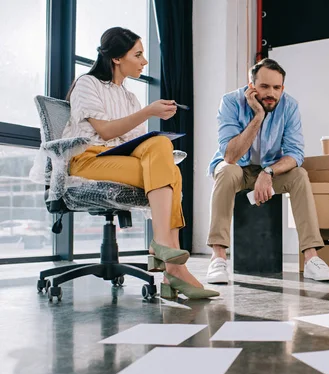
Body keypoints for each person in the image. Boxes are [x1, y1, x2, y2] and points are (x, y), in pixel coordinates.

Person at [63, 27, 218, 299]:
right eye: (138, 55)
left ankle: (168, 257)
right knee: (167, 169)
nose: (144, 62)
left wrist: (153, 130)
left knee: (161, 149)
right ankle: (171, 263)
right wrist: (148, 111)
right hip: (87, 160)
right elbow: (107, 131)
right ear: (116, 59)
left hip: (117, 160)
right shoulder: (87, 84)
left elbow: (136, 143)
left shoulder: (129, 97)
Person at [205, 58, 329, 283]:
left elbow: (295, 154)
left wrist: (268, 173)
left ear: (282, 88)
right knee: (226, 171)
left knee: (300, 176)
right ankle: (218, 258)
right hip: (238, 169)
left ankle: (312, 258)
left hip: (269, 171)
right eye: (264, 87)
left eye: (277, 88)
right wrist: (258, 117)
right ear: (251, 86)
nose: (271, 93)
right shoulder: (230, 102)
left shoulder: (290, 105)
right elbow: (230, 156)